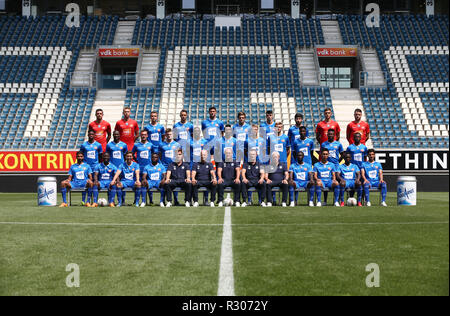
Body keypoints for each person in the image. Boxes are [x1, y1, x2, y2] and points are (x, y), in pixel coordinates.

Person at [80, 130, 102, 204]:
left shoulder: (98, 145)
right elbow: (81, 155)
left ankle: (95, 200)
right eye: (90, 134)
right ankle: (83, 200)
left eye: (92, 134)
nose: (91, 135)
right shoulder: (84, 145)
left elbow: (100, 156)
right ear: (88, 135)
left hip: (95, 167)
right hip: (86, 167)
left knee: (95, 183)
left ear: (94, 135)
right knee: (86, 183)